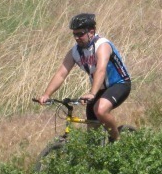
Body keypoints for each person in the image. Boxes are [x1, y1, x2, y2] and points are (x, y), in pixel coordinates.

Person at [37, 13, 132, 142]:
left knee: (100, 109)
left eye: (80, 34)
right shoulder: (75, 52)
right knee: (92, 135)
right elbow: (61, 73)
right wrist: (46, 94)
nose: (77, 38)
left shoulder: (102, 45)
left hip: (119, 84)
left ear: (91, 32)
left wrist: (92, 93)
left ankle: (117, 142)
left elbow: (101, 70)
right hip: (99, 89)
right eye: (74, 34)